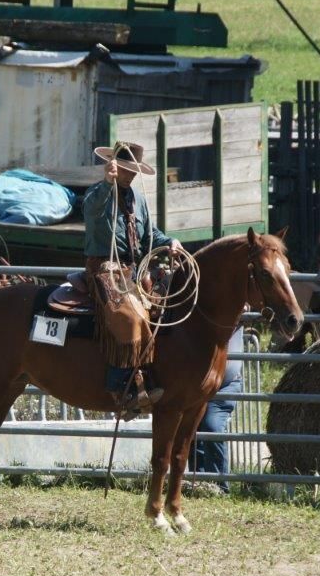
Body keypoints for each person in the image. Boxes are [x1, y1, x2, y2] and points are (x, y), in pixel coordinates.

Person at [83, 141, 183, 415]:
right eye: (126, 170)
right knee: (128, 314)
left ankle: (146, 376)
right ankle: (119, 386)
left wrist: (170, 241)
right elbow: (92, 211)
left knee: (160, 309)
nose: (130, 175)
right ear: (115, 166)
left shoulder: (138, 199)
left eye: (133, 171)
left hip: (132, 269)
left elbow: (150, 234)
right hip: (103, 266)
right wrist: (107, 183)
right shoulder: (98, 193)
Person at [190, 327, 244, 493]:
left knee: (211, 426)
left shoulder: (234, 313)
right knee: (192, 427)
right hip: (197, 385)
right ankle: (198, 483)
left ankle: (219, 486)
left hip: (226, 385)